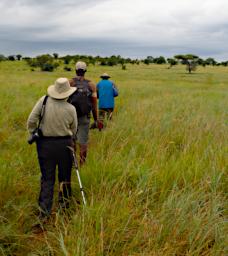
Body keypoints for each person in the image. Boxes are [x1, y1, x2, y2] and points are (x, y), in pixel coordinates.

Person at [27, 78, 77, 219]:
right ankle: (65, 208)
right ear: (68, 92)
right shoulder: (71, 108)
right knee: (65, 177)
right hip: (65, 145)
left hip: (45, 144)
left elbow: (31, 120)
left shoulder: (43, 101)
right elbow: (74, 129)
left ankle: (44, 213)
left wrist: (33, 133)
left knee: (47, 178)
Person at [68, 61, 99, 165]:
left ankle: (73, 163)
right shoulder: (91, 84)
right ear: (85, 71)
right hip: (85, 117)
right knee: (83, 142)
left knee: (72, 140)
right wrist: (95, 119)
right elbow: (94, 104)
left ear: (75, 70)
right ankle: (82, 164)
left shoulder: (70, 83)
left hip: (71, 116)